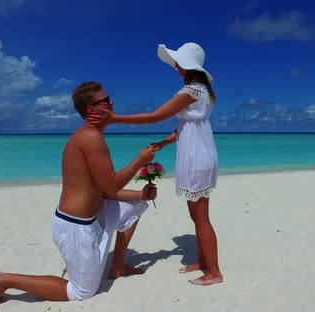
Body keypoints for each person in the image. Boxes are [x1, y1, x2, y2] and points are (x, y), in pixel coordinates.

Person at [0, 81, 157, 305]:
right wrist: (139, 161)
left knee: (136, 206)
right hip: (75, 225)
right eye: (104, 100)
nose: (111, 102)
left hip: (93, 218)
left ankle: (118, 265)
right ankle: (2, 280)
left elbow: (105, 193)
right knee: (81, 292)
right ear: (91, 110)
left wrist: (141, 196)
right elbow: (111, 187)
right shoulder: (90, 137)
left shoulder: (92, 136)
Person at [91, 42, 222, 286]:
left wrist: (114, 118)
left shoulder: (193, 90)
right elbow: (187, 126)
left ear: (188, 65)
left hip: (196, 159)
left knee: (201, 217)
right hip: (199, 155)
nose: (175, 67)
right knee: (197, 215)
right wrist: (164, 142)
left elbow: (155, 116)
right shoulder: (201, 91)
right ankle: (204, 263)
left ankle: (214, 272)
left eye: (178, 63)